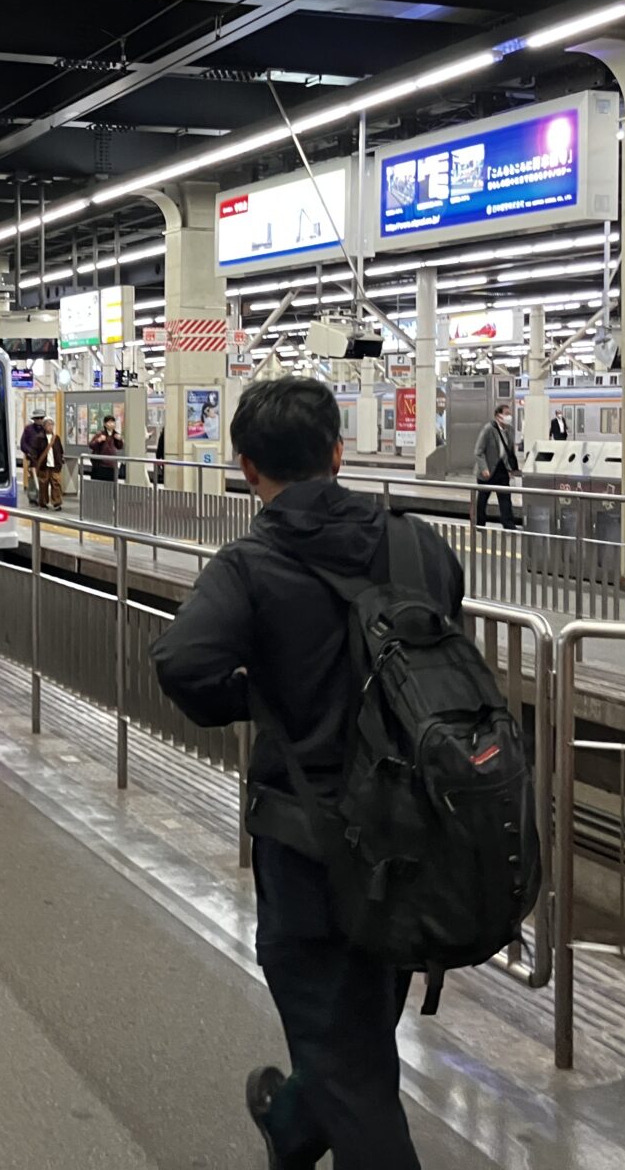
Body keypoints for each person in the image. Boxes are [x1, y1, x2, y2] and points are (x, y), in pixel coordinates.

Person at [151, 378, 463, 1170]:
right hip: (416, 836)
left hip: (311, 843)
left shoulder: (250, 564)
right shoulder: (419, 547)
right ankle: (290, 1124)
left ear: (247, 468)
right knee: (356, 1031)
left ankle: (308, 1121)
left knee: (351, 1067)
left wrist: (255, 697)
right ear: (338, 453)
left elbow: (183, 663)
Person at [473, 402, 520, 530]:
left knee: (505, 498)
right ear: (498, 416)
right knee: (482, 499)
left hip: (502, 469)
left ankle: (508, 525)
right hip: (487, 469)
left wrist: (511, 469)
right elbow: (478, 451)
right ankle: (480, 524)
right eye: (506, 414)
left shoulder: (510, 430)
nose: (509, 416)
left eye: (510, 414)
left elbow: (509, 451)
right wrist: (484, 469)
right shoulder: (488, 429)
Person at [30, 417, 66, 509]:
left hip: (55, 466)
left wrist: (60, 461)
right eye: (48, 425)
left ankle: (57, 503)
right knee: (43, 485)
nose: (50, 427)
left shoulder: (56, 438)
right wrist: (33, 464)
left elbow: (60, 451)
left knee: (56, 485)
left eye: (52, 425)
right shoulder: (39, 438)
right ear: (44, 426)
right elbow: (34, 452)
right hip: (44, 466)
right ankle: (43, 503)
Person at [19, 410, 49, 505]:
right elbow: (23, 443)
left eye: (41, 418)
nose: (39, 420)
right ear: (34, 419)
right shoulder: (28, 429)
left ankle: (43, 498)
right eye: (37, 418)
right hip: (32, 457)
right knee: (32, 478)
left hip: (44, 457)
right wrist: (29, 452)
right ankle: (33, 498)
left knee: (43, 478)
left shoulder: (46, 429)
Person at [87, 414, 124, 483]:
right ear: (104, 424)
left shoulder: (116, 435)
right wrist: (99, 440)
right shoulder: (100, 434)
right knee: (99, 484)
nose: (111, 424)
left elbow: (120, 446)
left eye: (112, 422)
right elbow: (91, 445)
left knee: (110, 486)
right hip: (100, 465)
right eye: (109, 422)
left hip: (111, 466)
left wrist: (120, 440)